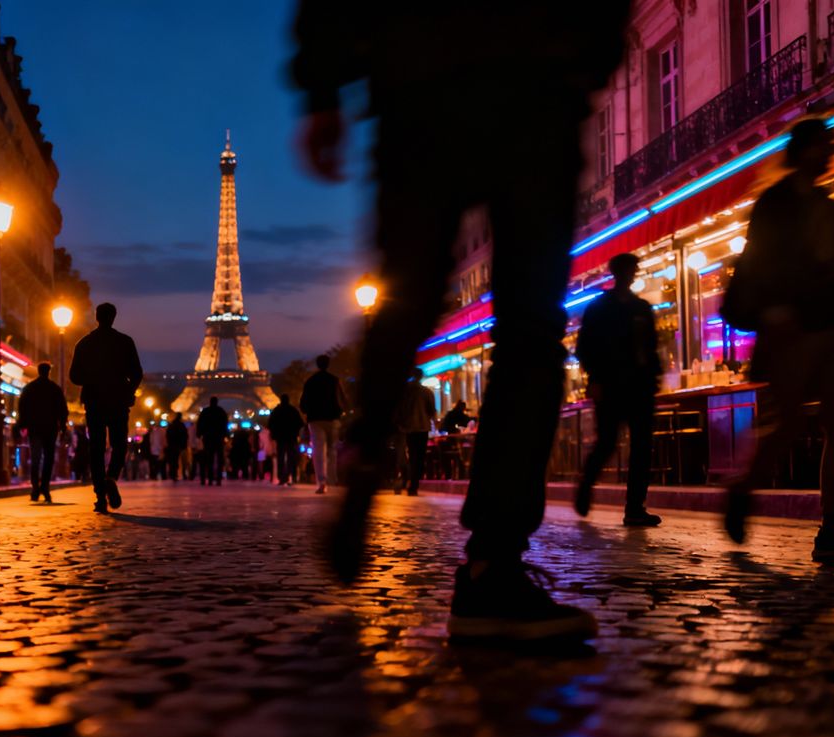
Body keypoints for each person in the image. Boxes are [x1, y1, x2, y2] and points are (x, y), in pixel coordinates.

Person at [293, 1, 632, 641]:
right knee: (530, 333)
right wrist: (591, 54)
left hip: (420, 76)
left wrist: (323, 88)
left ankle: (367, 447)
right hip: (535, 76)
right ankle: (491, 564)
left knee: (407, 298)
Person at [721, 119, 834, 563]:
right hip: (790, 327)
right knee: (787, 424)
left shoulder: (828, 206)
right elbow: (758, 262)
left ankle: (833, 526)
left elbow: (828, 267)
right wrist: (773, 307)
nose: (829, 151)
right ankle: (742, 490)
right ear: (804, 150)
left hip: (828, 324)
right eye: (822, 144)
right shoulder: (775, 202)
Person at [572, 253, 663, 526]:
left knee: (641, 447)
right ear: (619, 273)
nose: (632, 275)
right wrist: (596, 378)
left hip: (639, 386)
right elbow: (586, 348)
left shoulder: (641, 308)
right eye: (630, 270)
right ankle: (587, 485)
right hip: (612, 384)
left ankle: (635, 507)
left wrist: (652, 377)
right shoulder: (602, 308)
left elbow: (651, 347)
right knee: (608, 441)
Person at [69, 303, 143, 513]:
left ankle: (100, 495)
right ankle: (112, 476)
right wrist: (127, 390)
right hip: (118, 401)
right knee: (120, 444)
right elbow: (137, 373)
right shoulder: (125, 342)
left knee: (97, 449)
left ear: (96, 317)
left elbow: (74, 376)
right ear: (114, 317)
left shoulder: (84, 343)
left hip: (94, 401)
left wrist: (92, 379)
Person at [17, 361, 69, 504]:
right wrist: (63, 425)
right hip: (50, 428)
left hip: (34, 428)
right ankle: (45, 487)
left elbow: (22, 406)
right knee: (48, 458)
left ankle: (35, 488)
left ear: (38, 371)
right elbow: (62, 409)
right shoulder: (55, 389)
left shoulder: (30, 388)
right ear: (48, 372)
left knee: (35, 458)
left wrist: (22, 424)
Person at [299, 354, 347, 494]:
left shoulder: (310, 381)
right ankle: (333, 479)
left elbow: (303, 403)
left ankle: (322, 482)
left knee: (318, 451)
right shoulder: (335, 380)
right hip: (332, 419)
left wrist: (308, 411)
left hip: (316, 419)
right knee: (332, 450)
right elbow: (343, 400)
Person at [393, 369, 436, 496]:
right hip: (422, 428)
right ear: (421, 377)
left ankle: (408, 481)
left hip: (409, 428)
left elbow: (399, 410)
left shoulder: (406, 392)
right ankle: (414, 485)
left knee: (411, 455)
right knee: (420, 456)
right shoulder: (427, 392)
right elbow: (431, 410)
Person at [267, 393, 304, 486]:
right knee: (292, 457)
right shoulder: (293, 410)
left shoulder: (276, 411)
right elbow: (300, 423)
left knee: (281, 457)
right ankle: (293, 476)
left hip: (280, 437)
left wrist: (274, 434)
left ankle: (282, 477)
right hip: (291, 437)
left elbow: (270, 424)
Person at [196, 397, 229, 486]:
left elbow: (200, 423)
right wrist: (225, 435)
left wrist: (199, 434)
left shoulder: (205, 411)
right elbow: (225, 423)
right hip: (218, 438)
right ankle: (218, 479)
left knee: (209, 459)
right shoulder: (221, 411)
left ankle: (210, 479)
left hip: (208, 437)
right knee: (219, 459)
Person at [165, 412, 189, 481]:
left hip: (173, 445)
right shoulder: (181, 425)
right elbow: (185, 435)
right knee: (183, 460)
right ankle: (183, 474)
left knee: (174, 460)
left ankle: (174, 474)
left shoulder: (172, 425)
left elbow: (168, 435)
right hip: (180, 445)